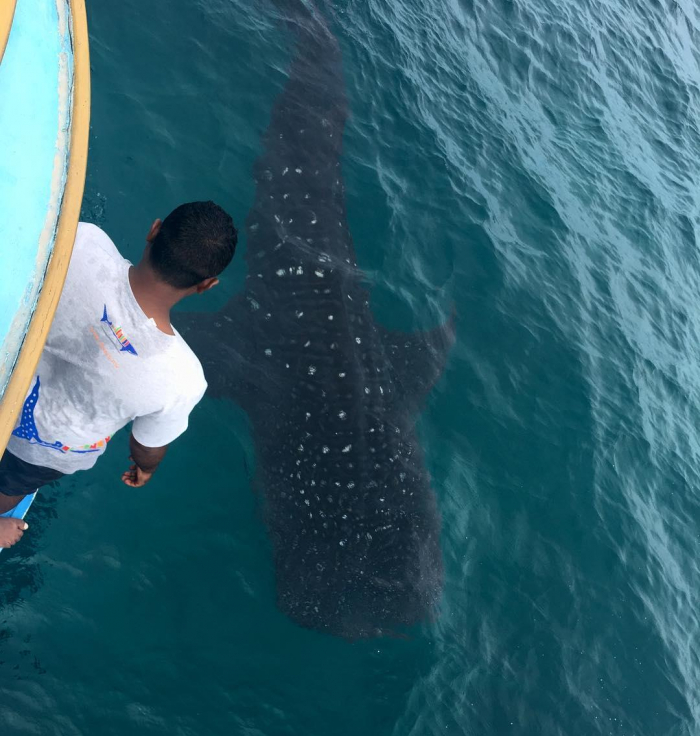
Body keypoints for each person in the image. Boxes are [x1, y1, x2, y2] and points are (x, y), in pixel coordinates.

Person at [0, 201, 237, 548]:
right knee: (9, 487)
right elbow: (147, 445)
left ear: (154, 230)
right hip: (42, 449)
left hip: (6, 382)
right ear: (207, 285)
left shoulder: (82, 241)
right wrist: (145, 468)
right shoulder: (183, 379)